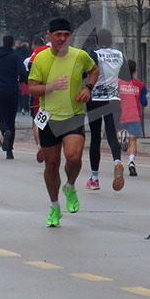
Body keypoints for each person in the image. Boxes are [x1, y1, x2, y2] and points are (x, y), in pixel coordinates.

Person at [27, 18, 99, 228]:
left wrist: (88, 88)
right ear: (49, 36)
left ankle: (70, 185)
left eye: (66, 34)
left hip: (73, 116)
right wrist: (50, 87)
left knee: (74, 157)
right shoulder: (40, 59)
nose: (62, 38)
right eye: (57, 34)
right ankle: (54, 205)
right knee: (51, 164)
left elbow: (94, 71)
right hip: (49, 117)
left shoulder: (80, 56)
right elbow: (32, 88)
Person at [84, 28, 127, 191]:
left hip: (96, 98)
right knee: (111, 134)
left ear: (96, 40)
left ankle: (94, 178)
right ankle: (117, 161)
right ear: (111, 41)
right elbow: (123, 75)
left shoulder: (94, 55)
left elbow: (85, 73)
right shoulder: (119, 55)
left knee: (95, 138)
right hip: (114, 98)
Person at [0, 35, 26, 160]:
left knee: (0, 117)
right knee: (11, 118)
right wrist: (20, 79)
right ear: (12, 44)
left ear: (2, 43)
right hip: (12, 90)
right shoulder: (15, 57)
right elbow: (23, 73)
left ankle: (4, 131)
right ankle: (9, 151)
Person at [118, 59, 147, 177]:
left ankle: (122, 140)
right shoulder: (140, 85)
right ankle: (131, 161)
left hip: (121, 114)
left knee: (120, 134)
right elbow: (144, 102)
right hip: (135, 115)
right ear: (135, 71)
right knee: (133, 140)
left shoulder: (118, 83)